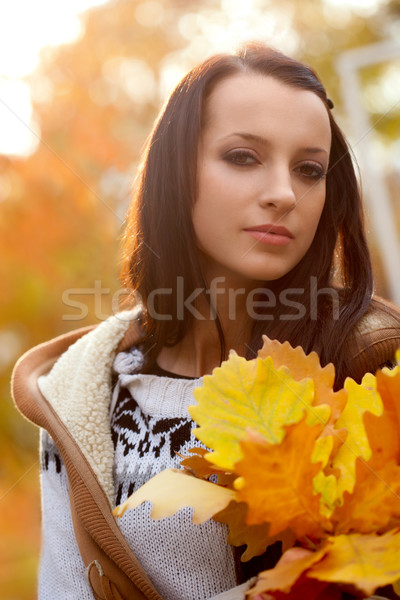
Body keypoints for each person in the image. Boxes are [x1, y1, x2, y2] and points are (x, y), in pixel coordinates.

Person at [12, 42, 400, 600]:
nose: (283, 194)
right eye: (243, 157)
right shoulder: (81, 390)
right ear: (176, 173)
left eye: (310, 169)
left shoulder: (371, 366)